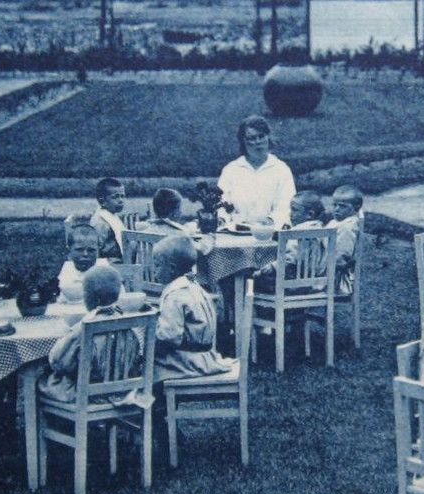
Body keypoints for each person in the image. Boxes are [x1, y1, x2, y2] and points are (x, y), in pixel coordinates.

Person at [36, 266, 147, 409]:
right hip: (123, 390)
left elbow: (59, 362)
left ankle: (56, 426)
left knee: (42, 381)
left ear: (89, 297)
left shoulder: (84, 327)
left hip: (86, 392)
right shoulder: (130, 323)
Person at [152, 235, 233, 380]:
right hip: (207, 357)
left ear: (171, 268)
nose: (154, 271)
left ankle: (150, 400)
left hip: (187, 361)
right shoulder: (195, 287)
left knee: (143, 368)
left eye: (157, 266)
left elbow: (170, 337)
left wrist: (147, 346)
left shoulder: (176, 296)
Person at [217, 115, 295, 228]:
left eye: (261, 136)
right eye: (252, 138)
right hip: (235, 233)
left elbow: (286, 205)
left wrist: (270, 220)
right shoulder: (231, 170)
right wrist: (222, 218)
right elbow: (221, 203)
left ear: (268, 137)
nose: (258, 142)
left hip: (270, 233)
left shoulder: (281, 169)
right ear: (243, 141)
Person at [57, 222, 112, 303]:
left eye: (91, 250)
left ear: (98, 248)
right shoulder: (67, 270)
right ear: (69, 248)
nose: (85, 254)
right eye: (79, 250)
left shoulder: (105, 271)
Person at [329, 185, 364, 295]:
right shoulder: (335, 222)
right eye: (334, 205)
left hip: (335, 279)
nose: (337, 209)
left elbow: (341, 257)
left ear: (356, 208)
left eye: (342, 206)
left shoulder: (348, 227)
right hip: (326, 273)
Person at [89, 177, 130, 261]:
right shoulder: (100, 222)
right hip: (110, 261)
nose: (121, 200)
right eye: (115, 197)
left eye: (122, 196)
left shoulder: (112, 215)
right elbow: (95, 248)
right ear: (102, 201)